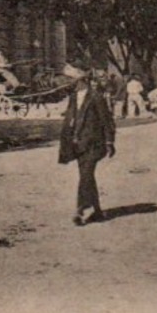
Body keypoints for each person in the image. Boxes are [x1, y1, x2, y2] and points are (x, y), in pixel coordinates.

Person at [57, 67, 115, 226]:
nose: (68, 83)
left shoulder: (96, 97)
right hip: (78, 143)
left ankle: (81, 209)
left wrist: (110, 142)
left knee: (86, 175)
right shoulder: (74, 97)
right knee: (86, 175)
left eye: (70, 80)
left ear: (80, 80)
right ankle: (97, 211)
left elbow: (107, 121)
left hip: (94, 144)